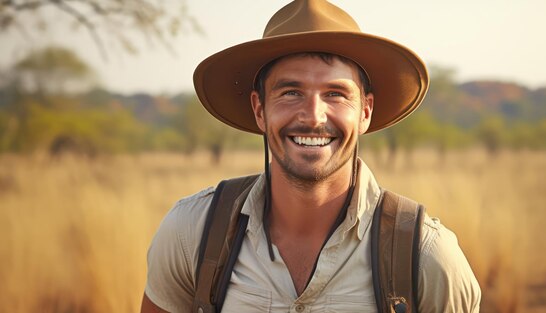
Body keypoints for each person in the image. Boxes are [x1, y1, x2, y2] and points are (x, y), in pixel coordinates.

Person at [140, 0, 481, 312]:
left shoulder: (426, 258)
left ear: (365, 112)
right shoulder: (193, 233)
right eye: (291, 92)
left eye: (335, 94)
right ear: (260, 110)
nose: (314, 116)